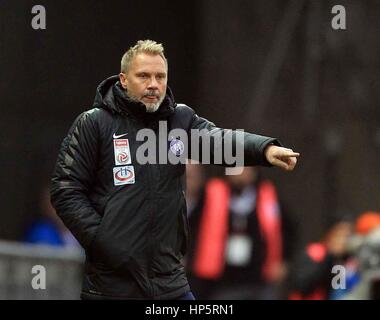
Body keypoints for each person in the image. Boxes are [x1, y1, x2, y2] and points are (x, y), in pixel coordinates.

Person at [50, 39, 299, 300]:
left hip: (168, 280)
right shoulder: (95, 123)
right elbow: (65, 189)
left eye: (160, 76)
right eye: (143, 76)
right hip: (113, 284)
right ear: (123, 80)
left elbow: (219, 140)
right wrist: (104, 241)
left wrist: (264, 150)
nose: (153, 85)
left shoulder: (179, 120)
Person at [186, 167, 294, 299]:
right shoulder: (212, 192)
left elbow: (289, 229)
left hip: (259, 278)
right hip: (219, 280)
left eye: (246, 168)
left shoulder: (267, 194)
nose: (241, 172)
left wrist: (284, 260)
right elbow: (189, 225)